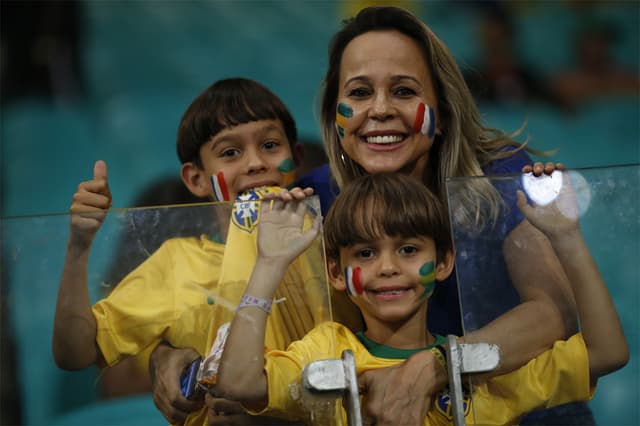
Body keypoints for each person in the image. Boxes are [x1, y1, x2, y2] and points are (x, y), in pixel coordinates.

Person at [149, 6, 590, 425]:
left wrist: (437, 367)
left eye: (403, 90)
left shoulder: (499, 175)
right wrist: (166, 355)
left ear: (442, 114)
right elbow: (220, 286)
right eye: (359, 93)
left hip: (525, 410)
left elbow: (554, 311)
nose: (379, 109)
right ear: (332, 118)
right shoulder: (313, 197)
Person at [215, 172, 628, 425]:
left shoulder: (483, 371)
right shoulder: (328, 349)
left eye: (409, 250)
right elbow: (239, 382)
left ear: (445, 261)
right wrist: (270, 263)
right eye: (366, 253)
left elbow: (608, 352)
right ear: (337, 274)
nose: (389, 267)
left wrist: (567, 237)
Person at [52, 77, 350, 425]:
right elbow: (75, 352)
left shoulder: (333, 252)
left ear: (296, 159)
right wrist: (78, 247)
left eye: (270, 145)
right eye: (230, 153)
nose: (255, 162)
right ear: (195, 179)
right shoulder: (176, 265)